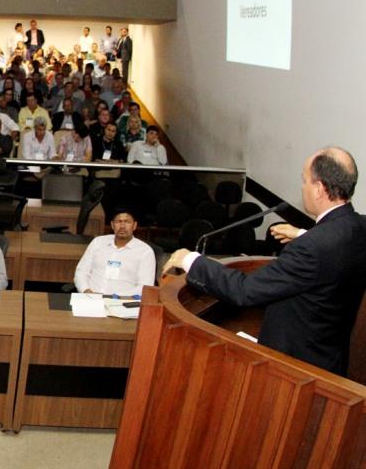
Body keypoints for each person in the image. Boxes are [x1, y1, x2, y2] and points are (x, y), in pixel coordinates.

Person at [162, 148, 366, 376]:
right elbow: (335, 247)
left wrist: (191, 260)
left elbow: (245, 290)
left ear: (319, 189)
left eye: (305, 181)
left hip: (294, 370)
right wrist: (301, 233)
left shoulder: (311, 248)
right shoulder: (358, 227)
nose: (302, 187)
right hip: (329, 360)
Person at [73, 209, 156, 296]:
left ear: (134, 225)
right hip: (90, 298)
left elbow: (145, 287)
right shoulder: (98, 242)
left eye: (127, 222)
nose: (122, 226)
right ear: (112, 225)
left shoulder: (145, 251)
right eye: (118, 222)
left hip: (122, 303)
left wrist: (115, 297)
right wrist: (86, 290)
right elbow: (81, 272)